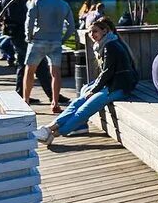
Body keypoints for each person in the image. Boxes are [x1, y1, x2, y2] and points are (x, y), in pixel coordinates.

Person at [34, 17, 139, 145]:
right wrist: (93, 88)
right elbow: (107, 73)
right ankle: (48, 129)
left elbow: (108, 72)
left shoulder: (111, 46)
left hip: (119, 87)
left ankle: (53, 133)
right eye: (90, 32)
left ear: (105, 31)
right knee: (79, 100)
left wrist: (94, 90)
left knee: (84, 109)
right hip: (111, 83)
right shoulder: (106, 43)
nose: (92, 35)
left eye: (95, 31)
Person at [0, 0, 54, 102]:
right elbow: (19, 17)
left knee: (26, 65)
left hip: (19, 34)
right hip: (20, 35)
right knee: (37, 63)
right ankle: (50, 95)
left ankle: (23, 95)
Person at [22, 0, 73, 111]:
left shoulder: (36, 2)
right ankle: (55, 103)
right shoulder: (63, 4)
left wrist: (29, 36)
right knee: (55, 73)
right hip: (55, 41)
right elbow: (71, 27)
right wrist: (63, 39)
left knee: (29, 71)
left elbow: (29, 22)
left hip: (38, 40)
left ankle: (26, 100)